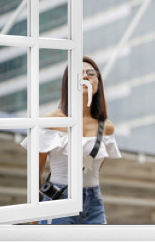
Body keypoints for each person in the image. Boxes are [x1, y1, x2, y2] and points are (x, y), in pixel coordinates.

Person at [21, 56, 121, 224]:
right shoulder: (52, 120)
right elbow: (35, 172)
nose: (85, 77)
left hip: (94, 202)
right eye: (78, 73)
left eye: (91, 73)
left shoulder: (107, 127)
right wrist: (35, 213)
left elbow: (95, 168)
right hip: (59, 200)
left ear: (98, 82)